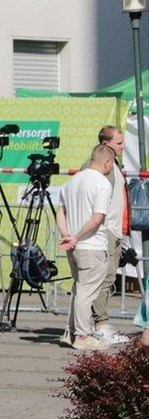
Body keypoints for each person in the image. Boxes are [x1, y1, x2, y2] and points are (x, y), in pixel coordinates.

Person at [56, 145, 121, 351]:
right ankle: (82, 335)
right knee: (86, 291)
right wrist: (75, 236)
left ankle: (71, 331)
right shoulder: (102, 183)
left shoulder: (73, 181)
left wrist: (67, 234)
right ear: (107, 162)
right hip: (92, 246)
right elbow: (97, 218)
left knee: (79, 288)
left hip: (74, 246)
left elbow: (60, 211)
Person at [96, 125, 129, 341]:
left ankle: (100, 323)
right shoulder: (101, 166)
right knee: (103, 278)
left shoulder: (113, 164)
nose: (123, 145)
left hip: (115, 229)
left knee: (108, 278)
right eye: (118, 142)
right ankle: (100, 324)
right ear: (105, 144)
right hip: (105, 229)